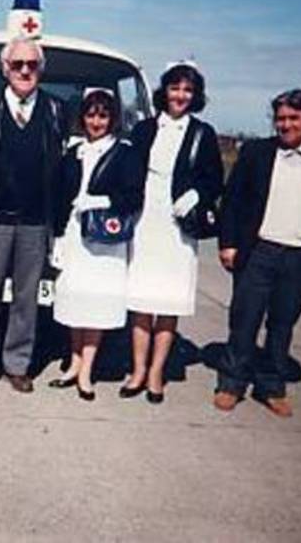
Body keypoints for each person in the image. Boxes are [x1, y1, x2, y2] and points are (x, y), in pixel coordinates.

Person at [213, 89, 301, 417]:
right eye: (280, 118)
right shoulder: (257, 152)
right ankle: (231, 383)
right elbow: (233, 202)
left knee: (282, 324)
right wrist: (228, 243)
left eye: (294, 118)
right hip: (259, 252)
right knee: (244, 320)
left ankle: (271, 385)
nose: (286, 125)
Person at [0, 36, 65, 393]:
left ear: (41, 69)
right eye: (18, 64)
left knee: (27, 298)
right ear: (4, 68)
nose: (25, 70)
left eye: (32, 65)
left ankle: (17, 364)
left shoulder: (55, 110)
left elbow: (60, 168)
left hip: (36, 222)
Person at [125, 62, 223, 403]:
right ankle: (137, 369)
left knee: (167, 303)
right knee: (140, 302)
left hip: (178, 228)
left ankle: (156, 373)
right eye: (175, 88)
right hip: (145, 220)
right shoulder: (144, 128)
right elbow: (127, 170)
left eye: (188, 90)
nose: (180, 95)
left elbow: (214, 179)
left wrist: (196, 194)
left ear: (195, 96)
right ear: (164, 91)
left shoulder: (202, 133)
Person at [49, 90, 145, 401]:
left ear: (113, 119)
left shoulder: (125, 152)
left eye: (103, 115)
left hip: (105, 240)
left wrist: (102, 201)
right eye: (91, 115)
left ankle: (87, 370)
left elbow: (133, 197)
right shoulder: (73, 151)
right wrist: (59, 237)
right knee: (76, 302)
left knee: (96, 306)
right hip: (76, 237)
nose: (96, 122)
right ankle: (74, 363)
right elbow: (60, 198)